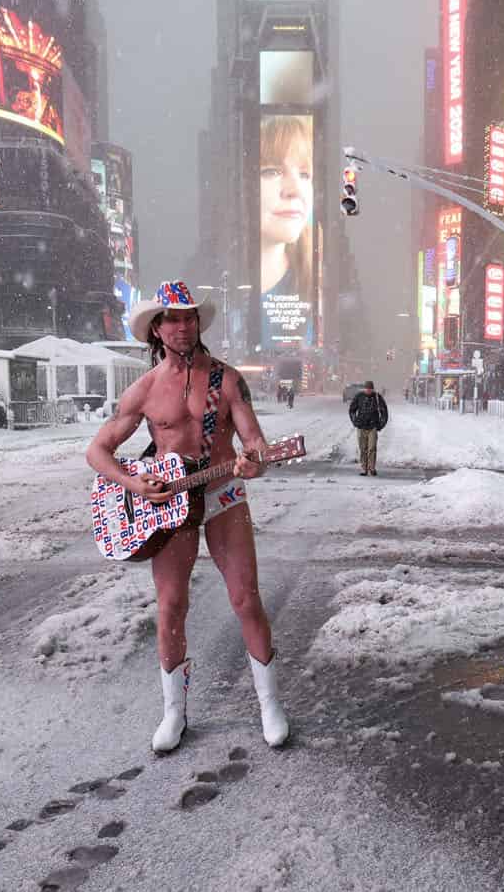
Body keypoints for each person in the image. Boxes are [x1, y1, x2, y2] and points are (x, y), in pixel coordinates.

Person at [85, 280, 288, 753]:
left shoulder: (228, 379)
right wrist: (136, 485)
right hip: (170, 506)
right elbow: (97, 451)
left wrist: (254, 460)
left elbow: (254, 443)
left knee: (245, 599)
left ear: (198, 323)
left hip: (222, 496)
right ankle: (173, 713)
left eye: (189, 317)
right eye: (172, 319)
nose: (182, 326)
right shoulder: (145, 390)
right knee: (172, 606)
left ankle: (269, 704)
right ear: (156, 329)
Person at [259, 116, 314, 340]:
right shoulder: (215, 287)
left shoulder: (320, 283)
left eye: (305, 174)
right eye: (272, 171)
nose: (295, 190)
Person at [348, 380, 389, 477]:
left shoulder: (377, 398)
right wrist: (355, 422)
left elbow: (384, 412)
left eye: (370, 389)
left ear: (373, 389)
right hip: (361, 427)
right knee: (363, 448)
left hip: (373, 427)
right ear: (364, 389)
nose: (368, 390)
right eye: (367, 388)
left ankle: (372, 468)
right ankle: (364, 468)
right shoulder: (359, 397)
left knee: (372, 448)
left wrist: (381, 425)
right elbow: (352, 410)